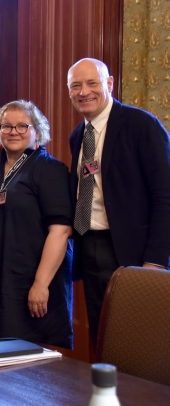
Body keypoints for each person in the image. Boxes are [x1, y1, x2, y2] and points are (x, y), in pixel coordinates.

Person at [67, 58, 170, 346]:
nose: (83, 92)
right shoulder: (78, 136)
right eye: (75, 85)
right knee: (101, 333)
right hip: (90, 246)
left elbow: (165, 196)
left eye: (92, 83)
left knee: (139, 340)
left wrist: (155, 262)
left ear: (109, 84)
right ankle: (104, 390)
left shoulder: (142, 126)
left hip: (133, 254)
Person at [0, 100, 73, 348]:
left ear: (37, 132)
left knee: (35, 367)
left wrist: (41, 284)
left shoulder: (50, 170)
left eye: (22, 126)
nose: (14, 132)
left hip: (35, 282)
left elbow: (60, 231)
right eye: (6, 126)